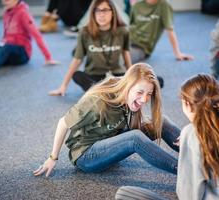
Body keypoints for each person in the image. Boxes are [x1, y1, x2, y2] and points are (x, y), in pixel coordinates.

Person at [33, 63, 180, 178]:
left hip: (110, 137)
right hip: (86, 155)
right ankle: (182, 170)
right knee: (135, 138)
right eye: (140, 92)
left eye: (149, 94)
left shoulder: (126, 92)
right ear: (128, 86)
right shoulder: (97, 102)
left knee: (162, 122)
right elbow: (63, 123)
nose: (144, 99)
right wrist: (53, 157)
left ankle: (202, 153)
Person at [115, 74, 219, 200]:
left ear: (187, 104)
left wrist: (190, 139)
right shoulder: (199, 133)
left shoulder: (192, 133)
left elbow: (189, 194)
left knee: (124, 193)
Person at [49, 0, 132, 96]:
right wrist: (63, 86)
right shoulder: (85, 32)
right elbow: (77, 59)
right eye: (97, 10)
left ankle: (102, 93)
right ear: (93, 14)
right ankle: (106, 92)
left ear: (112, 12)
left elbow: (126, 54)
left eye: (105, 10)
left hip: (116, 74)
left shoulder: (122, 31)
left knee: (132, 78)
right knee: (77, 75)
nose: (101, 14)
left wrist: (131, 77)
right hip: (94, 75)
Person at [129, 0, 194, 64]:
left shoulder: (164, 5)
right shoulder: (137, 5)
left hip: (140, 47)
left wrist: (177, 53)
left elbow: (170, 30)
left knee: (124, 60)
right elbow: (128, 26)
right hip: (127, 40)